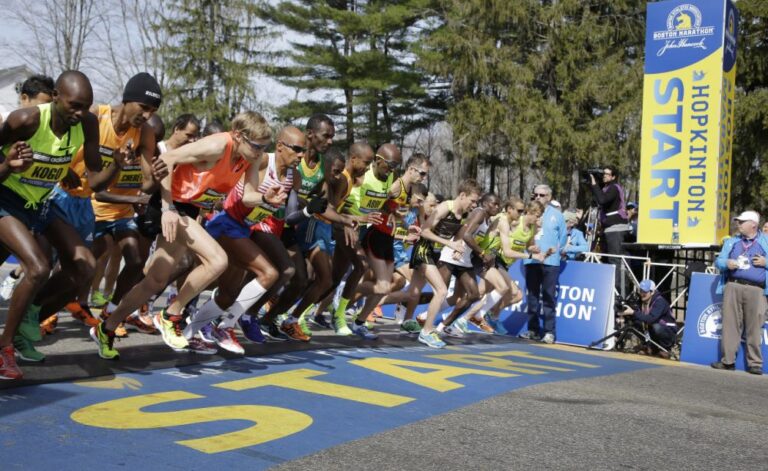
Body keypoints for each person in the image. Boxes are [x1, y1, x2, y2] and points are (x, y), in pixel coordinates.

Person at [90, 111, 272, 359]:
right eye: (257, 146)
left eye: (265, 147)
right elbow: (167, 158)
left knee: (154, 281)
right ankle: (170, 314)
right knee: (218, 260)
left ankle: (106, 327)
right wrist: (168, 209)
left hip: (187, 208)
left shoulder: (248, 158)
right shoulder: (219, 144)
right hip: (169, 205)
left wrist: (265, 198)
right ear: (239, 136)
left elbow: (248, 195)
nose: (261, 152)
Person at [0, 70, 117, 378]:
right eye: (74, 105)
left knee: (85, 266)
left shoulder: (88, 123)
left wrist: (116, 165)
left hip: (39, 204)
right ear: (55, 98)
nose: (80, 113)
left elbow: (95, 179)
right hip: (7, 199)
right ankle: (5, 348)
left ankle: (31, 315)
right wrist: (8, 164)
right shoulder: (25, 120)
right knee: (37, 267)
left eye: (86, 106)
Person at [711, 210, 767, 375]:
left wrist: (766, 262)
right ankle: (728, 361)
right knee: (730, 325)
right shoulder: (732, 241)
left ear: (753, 225)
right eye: (738, 221)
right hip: (733, 286)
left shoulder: (765, 241)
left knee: (755, 327)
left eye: (742, 222)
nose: (738, 224)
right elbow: (718, 261)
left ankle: (755, 364)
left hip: (757, 289)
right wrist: (726, 263)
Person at [521, 184, 566, 344]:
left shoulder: (557, 215)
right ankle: (533, 330)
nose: (538, 198)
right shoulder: (528, 213)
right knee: (532, 297)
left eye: (542, 195)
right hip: (532, 260)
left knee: (548, 297)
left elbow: (562, 238)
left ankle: (549, 332)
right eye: (536, 195)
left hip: (550, 262)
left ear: (549, 197)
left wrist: (555, 251)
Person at [589, 165, 631, 290]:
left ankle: (617, 291)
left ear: (613, 176)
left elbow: (602, 200)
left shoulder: (613, 188)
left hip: (616, 229)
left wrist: (594, 184)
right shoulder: (607, 187)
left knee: (615, 260)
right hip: (610, 228)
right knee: (613, 259)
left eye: (607, 174)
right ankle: (616, 288)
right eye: (603, 174)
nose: (604, 176)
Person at [619, 279, 677, 358]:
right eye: (641, 291)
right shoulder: (641, 301)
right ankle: (651, 346)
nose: (642, 294)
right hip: (651, 330)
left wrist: (633, 312)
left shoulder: (660, 302)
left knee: (656, 326)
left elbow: (651, 319)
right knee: (635, 322)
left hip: (668, 331)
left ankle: (666, 348)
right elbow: (639, 316)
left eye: (645, 292)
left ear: (652, 292)